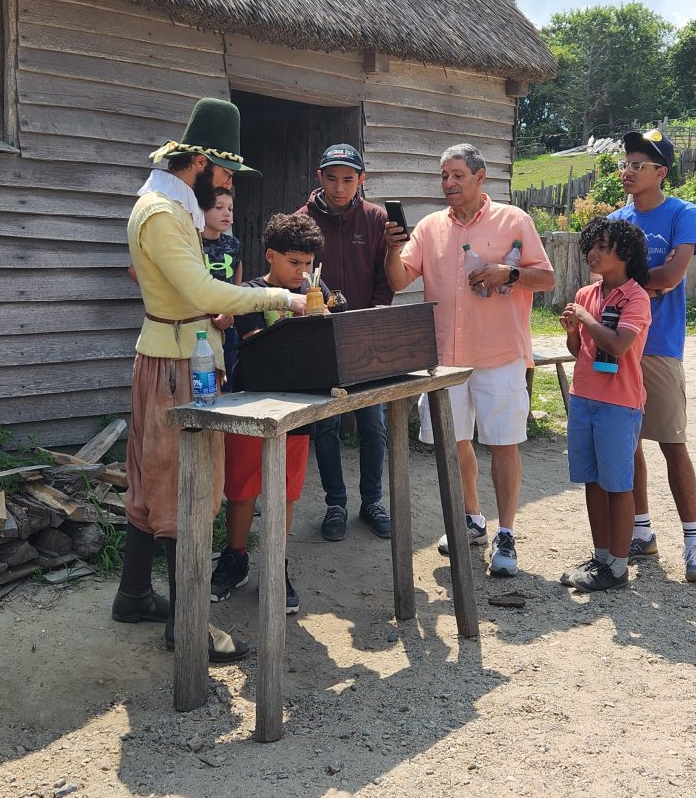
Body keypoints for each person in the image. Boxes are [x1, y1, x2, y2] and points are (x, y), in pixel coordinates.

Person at [111, 98, 306, 662]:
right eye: (223, 174)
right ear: (197, 164)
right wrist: (281, 296)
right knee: (186, 489)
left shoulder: (168, 208)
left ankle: (133, 595)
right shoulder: (162, 214)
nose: (225, 184)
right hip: (177, 363)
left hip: (175, 353)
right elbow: (203, 294)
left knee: (155, 480)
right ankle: (189, 627)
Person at [384, 143, 555, 577]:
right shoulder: (428, 227)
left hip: (499, 354)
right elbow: (399, 277)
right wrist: (392, 247)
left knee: (503, 443)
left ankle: (507, 533)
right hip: (444, 358)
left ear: (480, 178)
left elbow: (547, 278)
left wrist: (508, 273)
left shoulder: (514, 220)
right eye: (444, 176)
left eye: (457, 175)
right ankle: (472, 518)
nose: (449, 184)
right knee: (454, 441)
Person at [210, 213, 330, 613]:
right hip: (249, 400)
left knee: (286, 492)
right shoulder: (248, 293)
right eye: (294, 263)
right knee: (242, 488)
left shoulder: (317, 290)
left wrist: (325, 317)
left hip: (298, 405)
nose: (302, 272)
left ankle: (276, 566)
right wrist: (301, 318)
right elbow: (256, 342)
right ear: (271, 255)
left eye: (308, 263)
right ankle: (235, 557)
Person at [608, 129, 696, 582]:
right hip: (619, 345)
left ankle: (694, 542)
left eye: (638, 165)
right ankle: (642, 531)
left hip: (660, 346)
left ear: (661, 172)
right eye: (625, 163)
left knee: (672, 444)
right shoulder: (616, 219)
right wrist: (635, 284)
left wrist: (629, 282)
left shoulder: (682, 212)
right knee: (628, 444)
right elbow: (606, 278)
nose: (627, 171)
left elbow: (672, 274)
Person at [296, 143, 393, 542]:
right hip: (319, 337)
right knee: (327, 425)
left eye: (348, 180)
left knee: (374, 423)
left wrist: (372, 317)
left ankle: (372, 500)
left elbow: (386, 277)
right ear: (319, 178)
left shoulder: (376, 219)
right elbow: (293, 276)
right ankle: (335, 503)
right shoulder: (302, 221)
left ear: (361, 181)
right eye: (332, 179)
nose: (340, 188)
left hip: (368, 334)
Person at [559, 218, 651, 592]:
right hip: (583, 399)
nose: (592, 254)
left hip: (618, 404)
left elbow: (617, 345)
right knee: (592, 481)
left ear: (625, 253)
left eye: (602, 246)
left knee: (618, 485)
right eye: (589, 247)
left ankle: (617, 565)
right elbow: (579, 351)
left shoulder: (636, 297)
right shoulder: (586, 293)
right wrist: (572, 331)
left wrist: (585, 318)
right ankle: (600, 558)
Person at [201, 186, 243, 387]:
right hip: (201, 322)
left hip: (228, 320)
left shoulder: (233, 244)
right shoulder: (193, 244)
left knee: (229, 378)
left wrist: (232, 308)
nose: (226, 213)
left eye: (230, 208)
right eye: (219, 207)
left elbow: (237, 270)